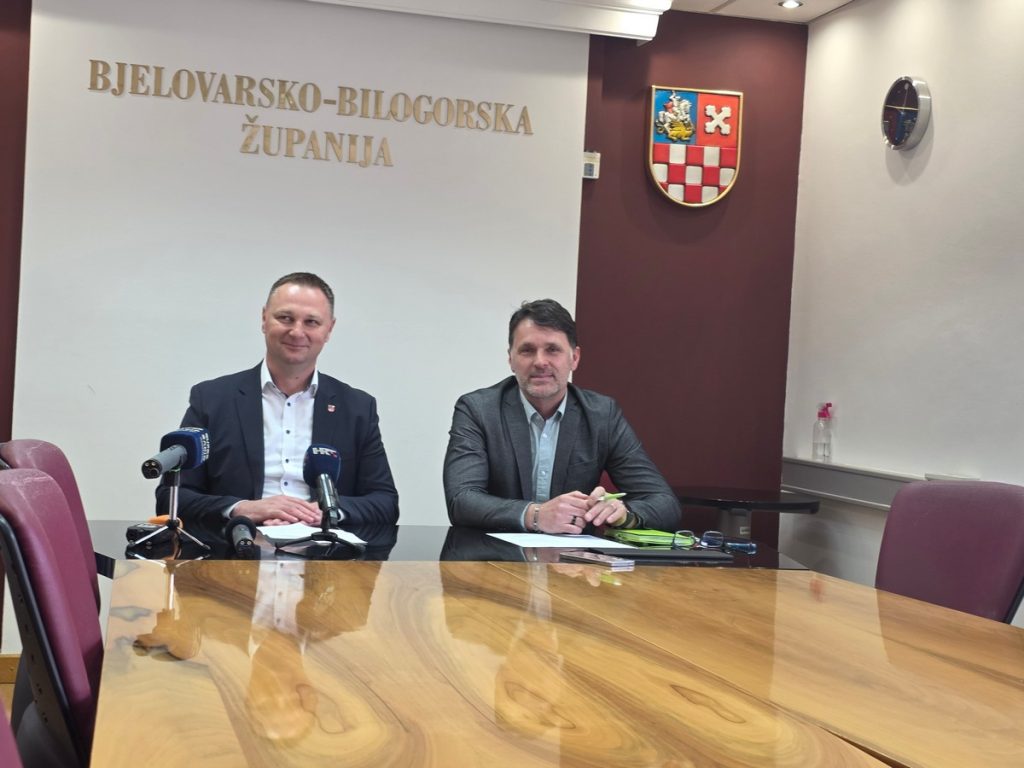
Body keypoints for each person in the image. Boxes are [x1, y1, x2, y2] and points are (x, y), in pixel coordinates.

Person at [158, 272, 398, 530]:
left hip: (324, 546)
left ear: (329, 329)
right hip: (236, 544)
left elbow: (385, 502)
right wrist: (242, 508)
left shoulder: (357, 408)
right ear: (264, 319)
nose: (297, 331)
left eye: (311, 322)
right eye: (285, 318)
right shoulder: (212, 399)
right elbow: (171, 498)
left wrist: (329, 511)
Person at [443, 299, 679, 533]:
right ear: (511, 359)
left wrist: (623, 514)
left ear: (574, 358)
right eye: (527, 350)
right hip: (493, 553)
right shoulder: (478, 410)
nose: (540, 362)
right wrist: (535, 515)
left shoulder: (601, 415)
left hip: (575, 555)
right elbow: (461, 500)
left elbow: (664, 503)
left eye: (552, 350)